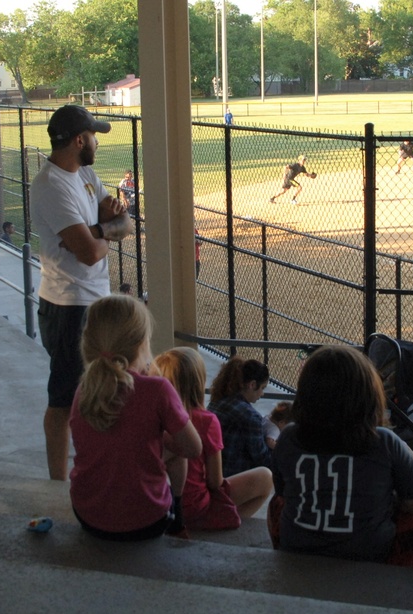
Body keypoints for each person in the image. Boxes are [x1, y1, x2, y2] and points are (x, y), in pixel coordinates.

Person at [30, 104, 133, 481]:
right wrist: (103, 231)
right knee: (64, 398)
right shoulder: (50, 186)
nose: (97, 143)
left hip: (94, 302)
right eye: (93, 136)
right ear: (78, 140)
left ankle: (96, 467)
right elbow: (90, 254)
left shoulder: (86, 174)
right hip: (68, 306)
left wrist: (98, 230)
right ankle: (59, 481)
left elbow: (124, 222)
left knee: (99, 390)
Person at [268, 345, 413, 565]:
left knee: (277, 503)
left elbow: (282, 492)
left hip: (297, 547)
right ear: (368, 396)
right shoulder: (384, 441)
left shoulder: (289, 437)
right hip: (370, 554)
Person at [69, 296, 202, 540]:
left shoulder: (83, 390)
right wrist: (162, 436)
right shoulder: (157, 389)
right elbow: (193, 448)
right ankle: (178, 517)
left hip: (87, 513)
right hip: (146, 520)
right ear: (141, 344)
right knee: (175, 453)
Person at [154, 347, 273, 531]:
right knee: (266, 477)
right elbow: (215, 482)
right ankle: (227, 525)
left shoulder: (154, 417)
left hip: (161, 503)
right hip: (195, 508)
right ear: (198, 382)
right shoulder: (206, 420)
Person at [208, 356, 272, 477]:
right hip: (233, 478)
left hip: (211, 474)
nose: (262, 393)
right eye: (262, 388)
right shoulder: (250, 417)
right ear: (252, 385)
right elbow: (263, 460)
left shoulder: (217, 402)